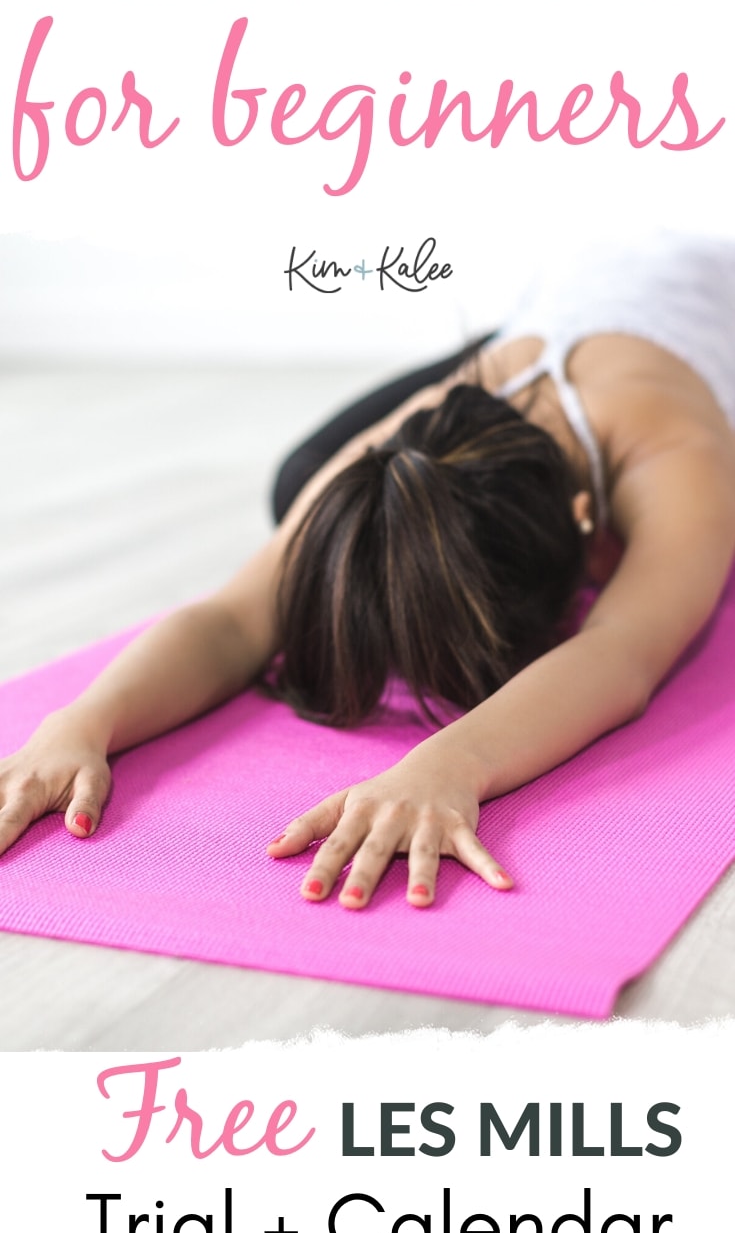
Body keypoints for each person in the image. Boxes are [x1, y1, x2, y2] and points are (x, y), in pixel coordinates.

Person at [2, 229, 735, 910]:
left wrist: (449, 765)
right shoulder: (425, 429)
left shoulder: (677, 454)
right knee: (309, 491)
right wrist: (81, 722)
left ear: (586, 526)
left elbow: (622, 652)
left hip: (691, 306)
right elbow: (235, 616)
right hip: (554, 315)